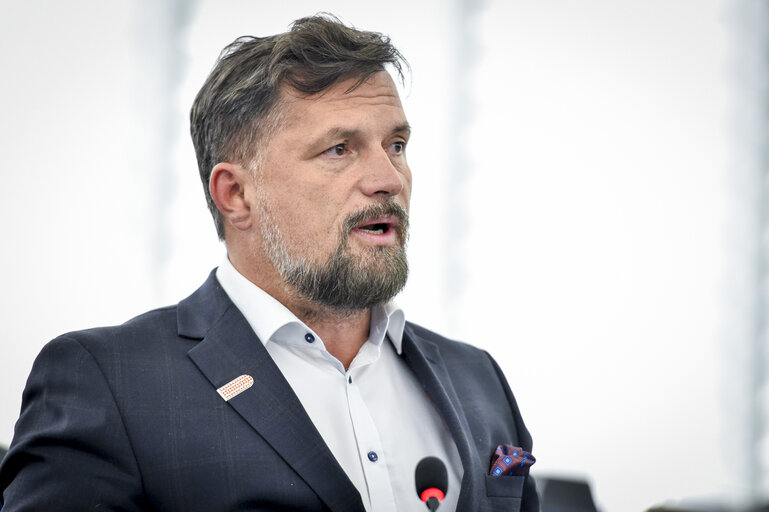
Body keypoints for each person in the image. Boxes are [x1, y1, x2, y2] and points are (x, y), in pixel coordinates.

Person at [0, 14, 538, 512]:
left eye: (395, 144)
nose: (389, 179)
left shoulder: (478, 378)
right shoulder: (110, 383)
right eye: (339, 150)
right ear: (235, 194)